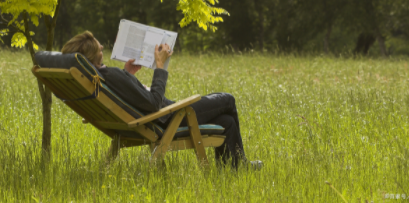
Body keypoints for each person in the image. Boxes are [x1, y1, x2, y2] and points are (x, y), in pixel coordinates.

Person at [61, 30, 261, 169]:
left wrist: (128, 75)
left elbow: (123, 95)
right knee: (228, 100)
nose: (102, 46)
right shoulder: (109, 75)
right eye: (98, 47)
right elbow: (155, 102)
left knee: (226, 122)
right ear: (92, 55)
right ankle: (240, 164)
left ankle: (233, 168)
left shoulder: (98, 77)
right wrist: (159, 65)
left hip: (144, 121)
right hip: (168, 118)